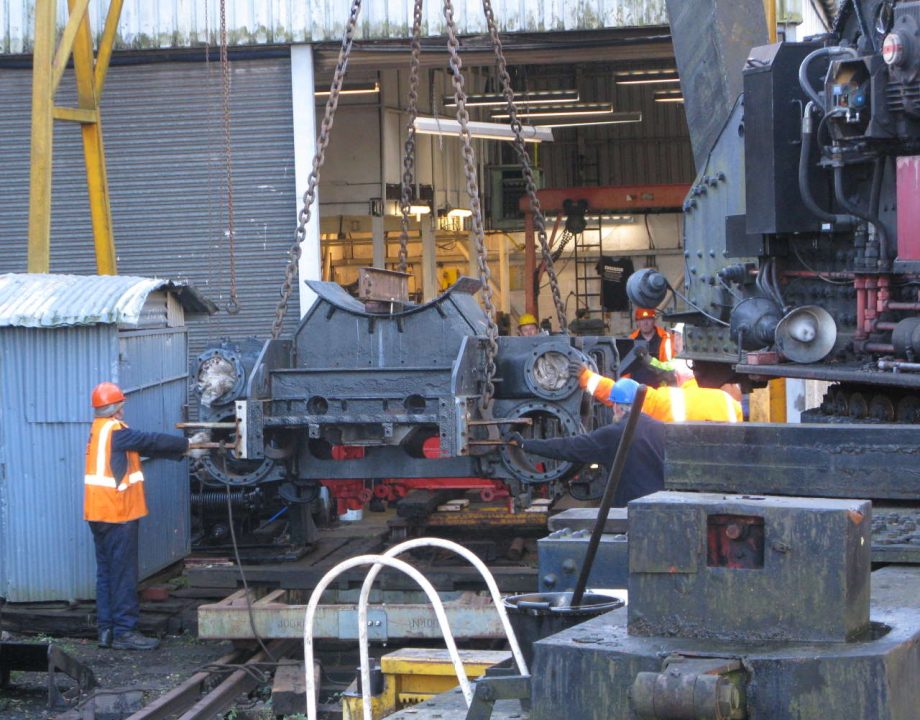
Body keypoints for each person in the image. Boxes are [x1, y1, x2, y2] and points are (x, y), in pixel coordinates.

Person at [84, 382, 208, 651]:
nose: (124, 408)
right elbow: (148, 440)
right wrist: (188, 444)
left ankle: (107, 630)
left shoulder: (98, 431)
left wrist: (182, 451)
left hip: (99, 514)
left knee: (106, 573)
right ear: (116, 407)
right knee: (124, 574)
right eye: (122, 404)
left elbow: (145, 447)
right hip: (118, 513)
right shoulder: (116, 432)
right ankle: (126, 632)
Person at [507, 377, 664, 506]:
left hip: (631, 510)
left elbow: (568, 447)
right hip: (664, 506)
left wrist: (525, 444)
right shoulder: (661, 429)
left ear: (616, 406)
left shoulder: (614, 434)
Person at [578, 368, 742, 423]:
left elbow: (625, 393)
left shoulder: (670, 399)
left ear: (679, 378)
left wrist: (585, 376)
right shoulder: (728, 402)